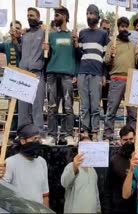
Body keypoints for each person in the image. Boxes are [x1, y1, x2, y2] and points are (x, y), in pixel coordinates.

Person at [73, 4, 109, 141]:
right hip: (83, 72)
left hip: (97, 73)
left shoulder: (103, 34)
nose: (89, 16)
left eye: (92, 13)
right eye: (88, 13)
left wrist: (104, 74)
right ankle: (85, 131)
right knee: (85, 106)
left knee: (95, 105)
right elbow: (78, 55)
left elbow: (105, 58)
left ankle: (94, 131)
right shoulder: (82, 33)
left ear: (97, 16)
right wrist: (76, 44)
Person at [104, 17, 138, 140]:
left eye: (126, 26)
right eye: (122, 26)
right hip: (116, 79)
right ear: (118, 28)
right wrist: (111, 55)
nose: (124, 28)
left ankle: (131, 137)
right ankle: (108, 135)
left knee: (132, 113)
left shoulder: (133, 45)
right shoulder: (112, 43)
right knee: (112, 110)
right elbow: (106, 61)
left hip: (131, 80)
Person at [44, 6, 77, 146]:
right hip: (52, 73)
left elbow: (77, 56)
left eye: (57, 15)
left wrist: (77, 43)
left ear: (65, 16)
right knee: (51, 106)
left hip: (67, 75)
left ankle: (67, 135)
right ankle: (52, 136)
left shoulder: (73, 36)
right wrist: (45, 50)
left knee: (68, 106)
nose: (55, 18)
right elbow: (47, 57)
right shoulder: (50, 36)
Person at [1, 123, 49, 207]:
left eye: (39, 139)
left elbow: (45, 195)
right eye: (34, 139)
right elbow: (3, 192)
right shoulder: (11, 162)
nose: (37, 142)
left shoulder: (42, 162)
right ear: (23, 141)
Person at [16, 7, 46, 140]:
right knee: (23, 107)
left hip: (36, 73)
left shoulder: (44, 32)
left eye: (32, 15)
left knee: (37, 106)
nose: (29, 17)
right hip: (23, 73)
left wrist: (41, 25)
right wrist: (15, 39)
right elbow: (19, 51)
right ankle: (22, 134)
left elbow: (48, 27)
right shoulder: (25, 35)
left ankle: (38, 134)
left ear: (38, 17)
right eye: (28, 15)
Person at [106, 126, 137, 214]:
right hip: (119, 208)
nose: (129, 142)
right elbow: (108, 188)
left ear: (135, 138)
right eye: (125, 140)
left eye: (131, 139)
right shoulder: (114, 160)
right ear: (120, 141)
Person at [61, 149, 100, 213]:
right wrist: (74, 168)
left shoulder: (93, 170)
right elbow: (64, 183)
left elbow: (96, 192)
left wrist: (98, 209)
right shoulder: (70, 166)